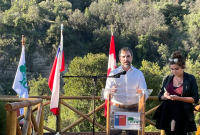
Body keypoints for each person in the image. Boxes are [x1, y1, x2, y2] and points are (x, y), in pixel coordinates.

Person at [153, 51, 199, 135]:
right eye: (172, 69)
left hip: (183, 114)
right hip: (167, 112)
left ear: (183, 66)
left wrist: (178, 98)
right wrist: (164, 96)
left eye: (177, 69)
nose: (174, 71)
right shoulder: (167, 78)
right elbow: (160, 96)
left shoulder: (190, 78)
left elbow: (195, 98)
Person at [104, 47, 147, 135]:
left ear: (132, 58)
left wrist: (141, 93)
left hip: (133, 109)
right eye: (123, 57)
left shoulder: (138, 74)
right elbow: (105, 94)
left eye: (128, 56)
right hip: (117, 109)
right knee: (113, 134)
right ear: (120, 59)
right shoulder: (113, 73)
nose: (126, 59)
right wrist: (110, 92)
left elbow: (145, 92)